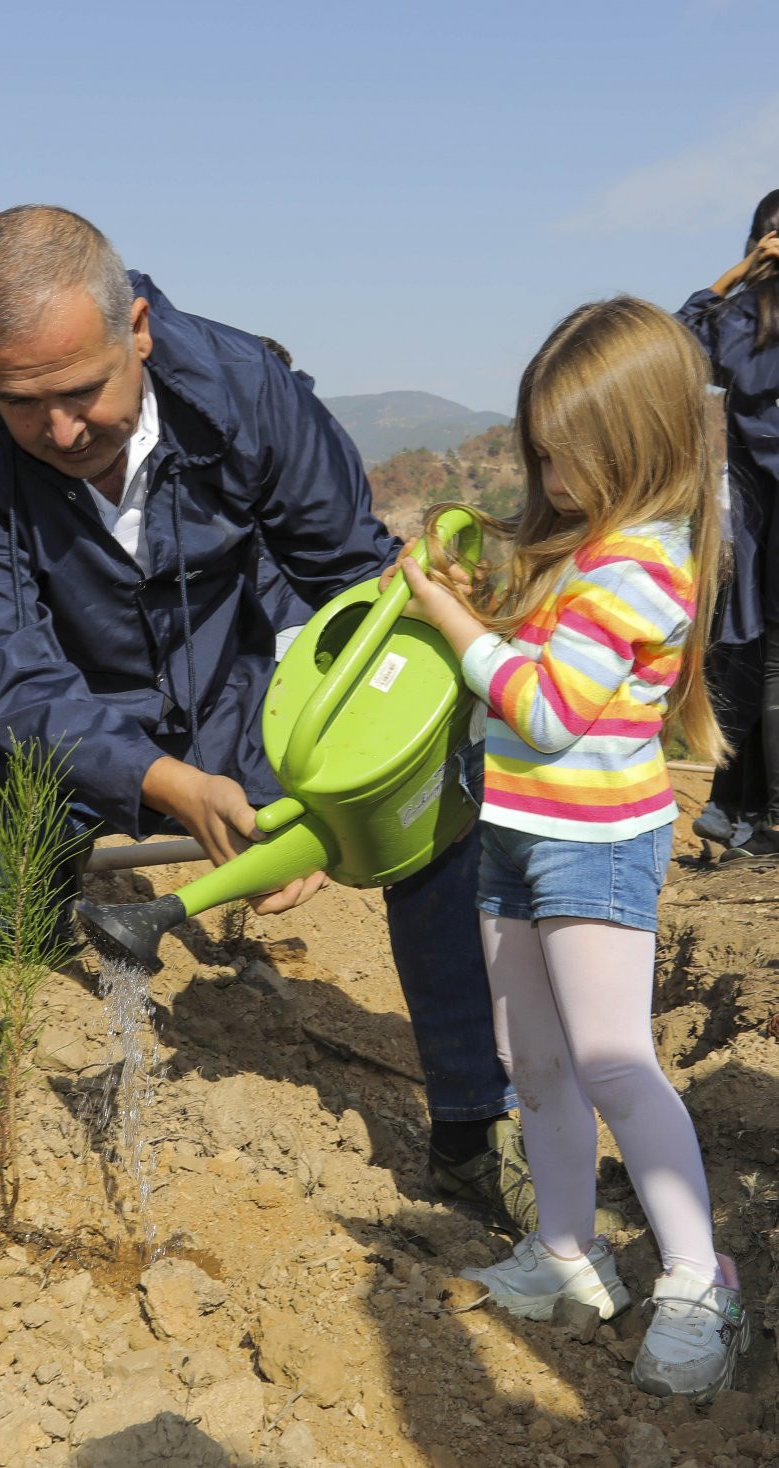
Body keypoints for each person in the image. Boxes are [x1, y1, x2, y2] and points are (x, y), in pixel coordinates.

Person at [0, 204, 533, 1230]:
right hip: (26, 746)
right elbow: (2, 671)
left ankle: (473, 1122)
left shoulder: (244, 389)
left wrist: (330, 789)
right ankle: (18, 981)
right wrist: (160, 785)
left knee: (433, 808)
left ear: (135, 329)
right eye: (20, 403)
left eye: (79, 392)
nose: (59, 431)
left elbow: (352, 589)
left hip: (244, 719)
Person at [384, 297, 749, 1402]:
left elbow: (543, 709)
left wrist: (454, 628)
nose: (546, 476)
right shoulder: (584, 548)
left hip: (593, 847)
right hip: (516, 833)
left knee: (609, 1059)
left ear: (635, 445)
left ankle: (698, 1275)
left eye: (564, 456)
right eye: (538, 453)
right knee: (529, 1057)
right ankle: (566, 1251)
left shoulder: (640, 567)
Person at [677, 190, 779, 860]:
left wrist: (731, 278)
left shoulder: (739, 317)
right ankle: (755, 816)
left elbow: (675, 342)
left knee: (756, 657)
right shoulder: (745, 318)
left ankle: (736, 811)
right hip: (758, 523)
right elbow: (676, 348)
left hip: (753, 527)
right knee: (765, 661)